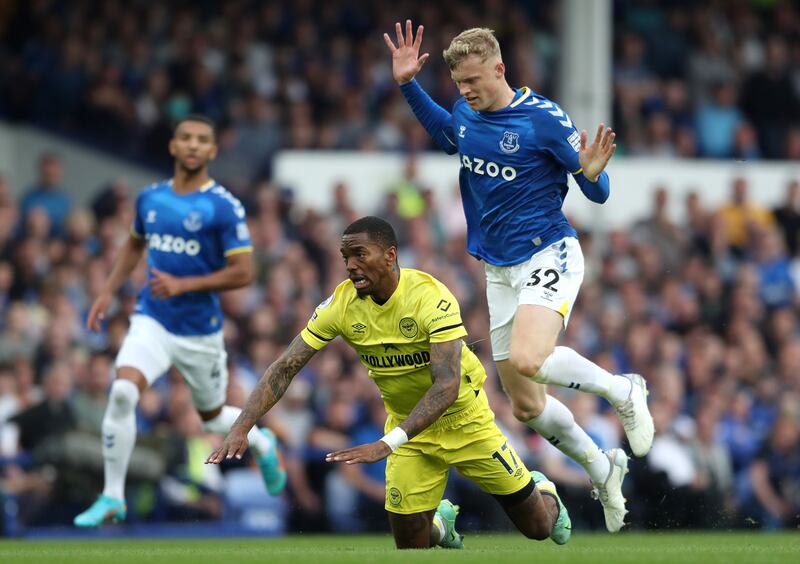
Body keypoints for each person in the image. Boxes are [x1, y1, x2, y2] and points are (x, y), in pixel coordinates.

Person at [384, 21, 655, 532]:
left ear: (499, 68)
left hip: (548, 252)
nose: (466, 92)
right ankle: (603, 467)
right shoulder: (467, 111)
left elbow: (596, 190)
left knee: (531, 359)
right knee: (527, 406)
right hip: (498, 269)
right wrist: (407, 85)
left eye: (474, 81)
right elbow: (450, 134)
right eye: (459, 84)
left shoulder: (544, 119)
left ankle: (624, 390)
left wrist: (593, 176)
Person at [207, 216, 571, 549]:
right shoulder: (342, 304)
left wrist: (386, 443)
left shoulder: (431, 297)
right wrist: (242, 426)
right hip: (407, 428)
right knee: (411, 545)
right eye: (345, 256)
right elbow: (285, 366)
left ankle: (543, 489)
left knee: (539, 527)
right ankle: (441, 525)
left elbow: (446, 386)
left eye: (360, 254)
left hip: (465, 421)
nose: (350, 265)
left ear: (389, 255)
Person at [73, 114, 285, 528]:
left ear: (211, 151)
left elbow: (245, 272)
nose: (191, 145)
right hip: (151, 319)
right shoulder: (150, 198)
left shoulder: (223, 206)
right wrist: (106, 291)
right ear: (173, 146)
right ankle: (112, 497)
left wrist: (185, 284)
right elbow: (134, 245)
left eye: (201, 139)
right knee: (121, 392)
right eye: (184, 138)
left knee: (212, 417)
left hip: (199, 331)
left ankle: (261, 442)